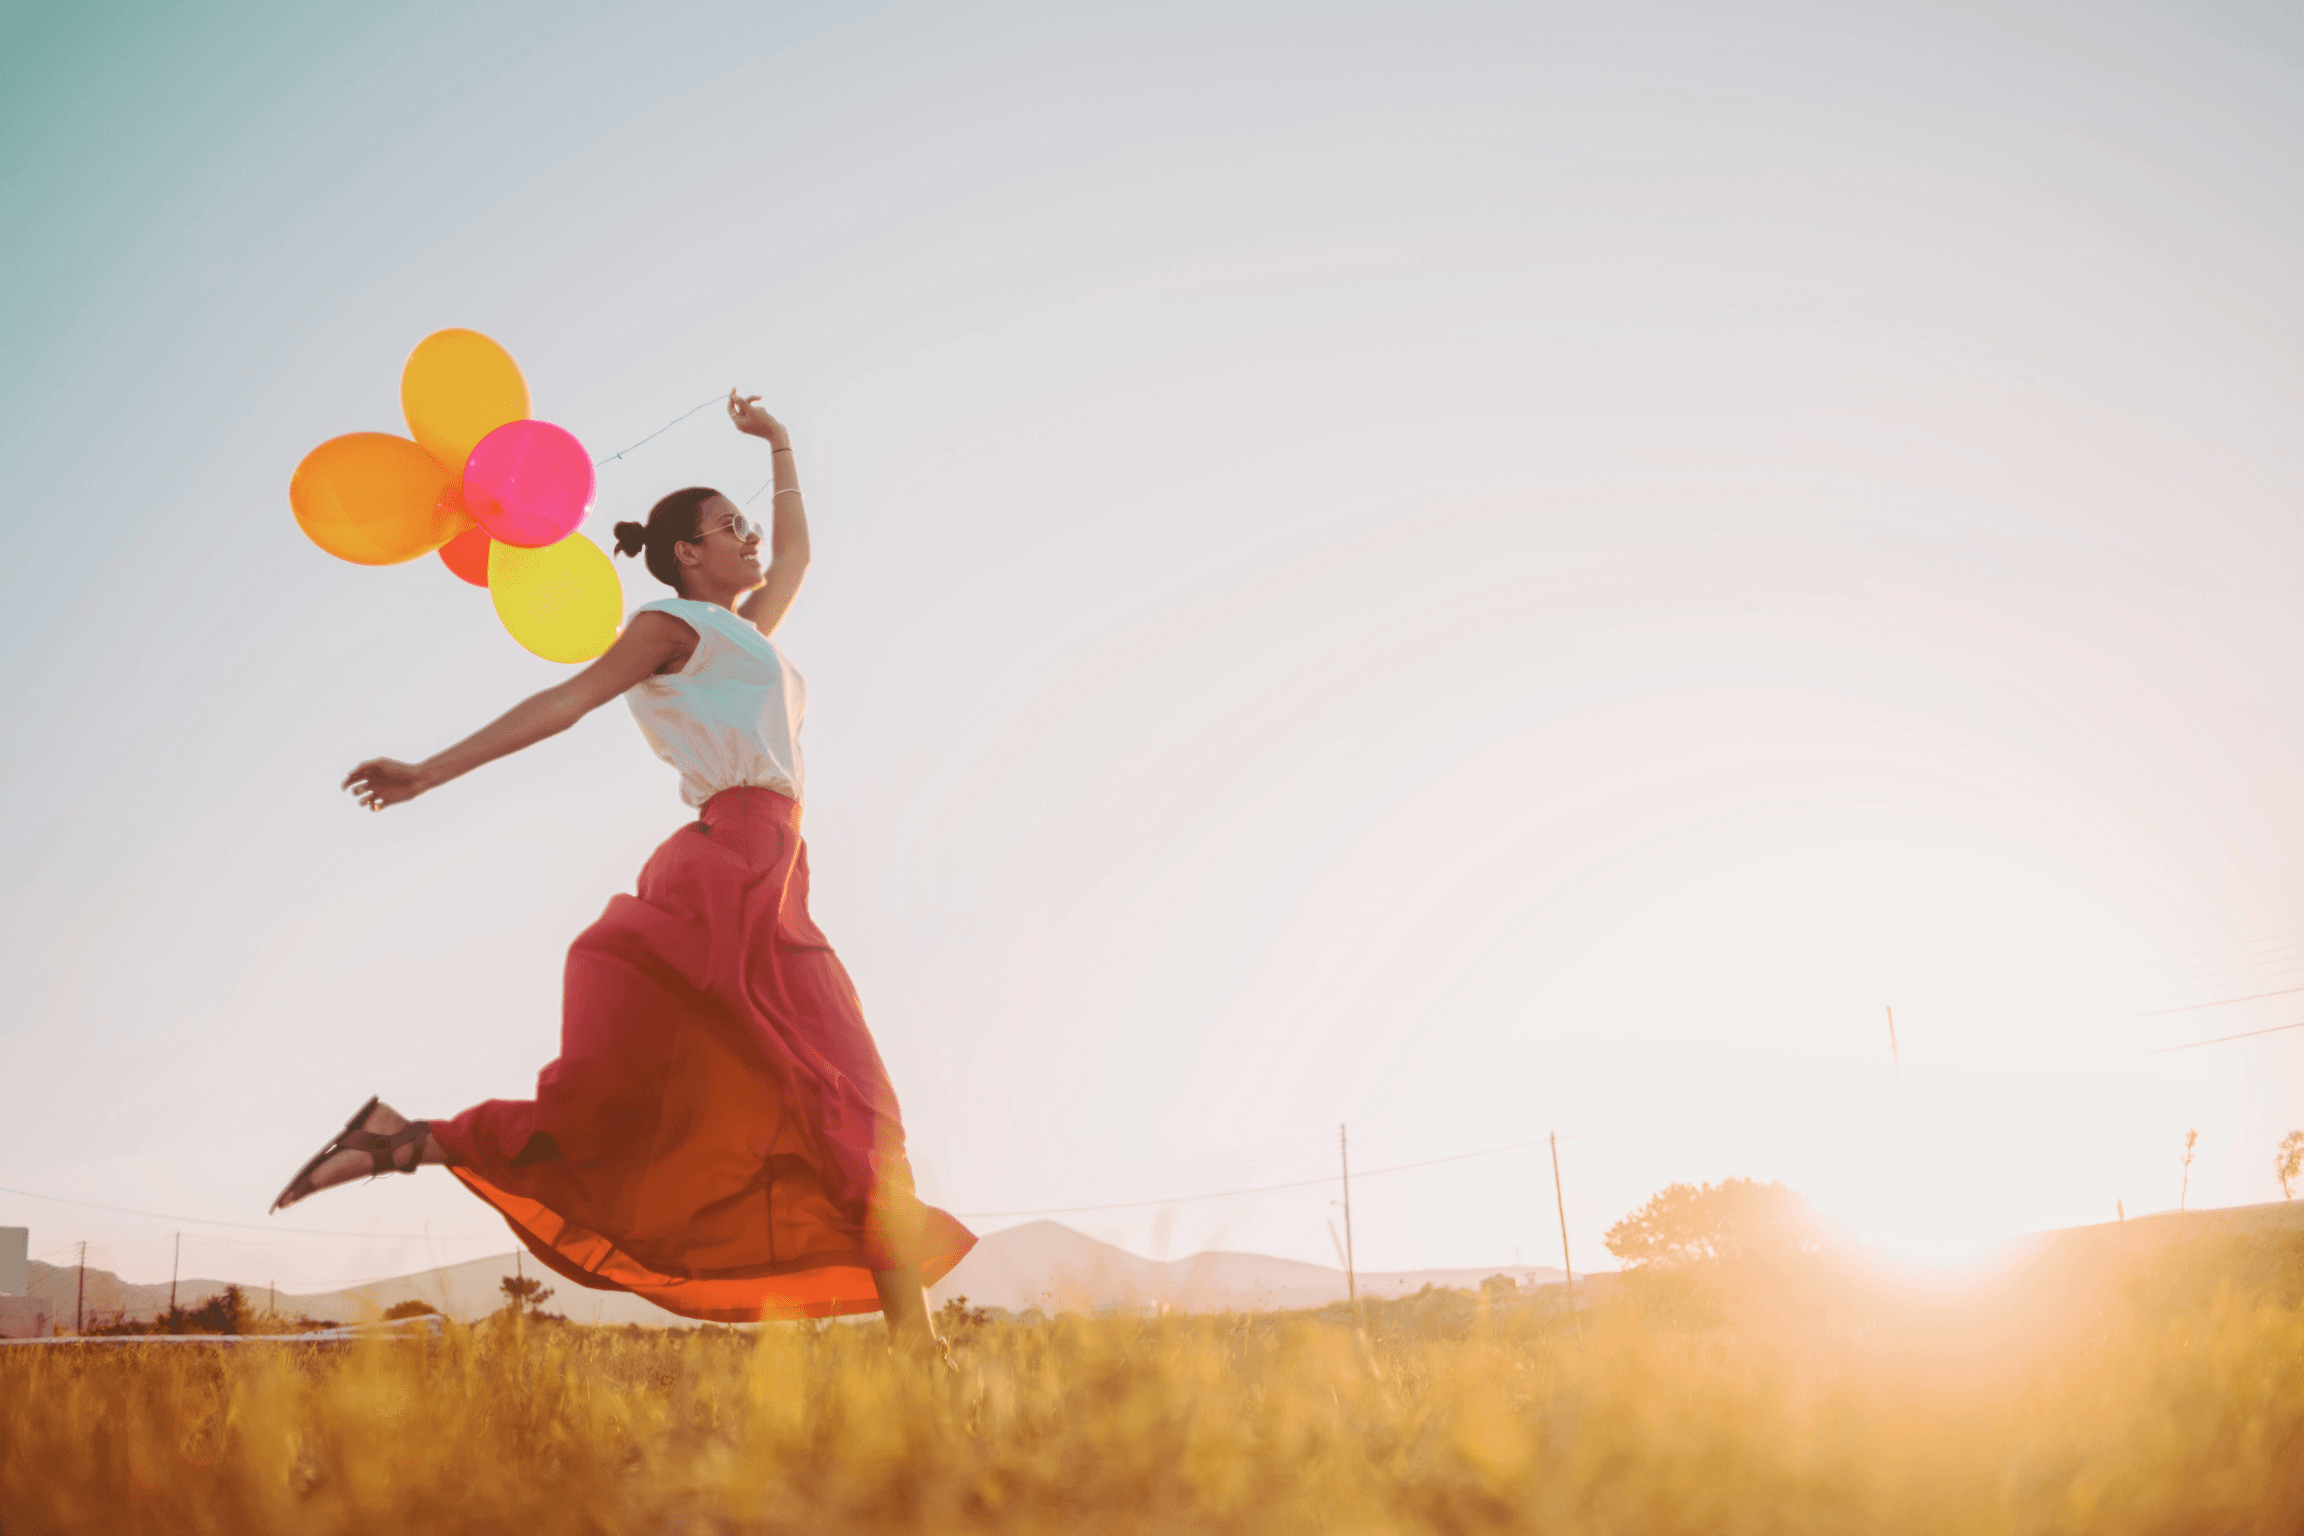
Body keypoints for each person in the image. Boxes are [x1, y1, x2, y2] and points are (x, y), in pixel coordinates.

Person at [270, 390, 973, 1353]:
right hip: (729, 869)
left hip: (775, 870)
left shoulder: (749, 631)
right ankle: (919, 1356)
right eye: (731, 527)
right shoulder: (668, 627)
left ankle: (407, 1138)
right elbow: (564, 703)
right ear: (688, 553)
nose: (751, 537)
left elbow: (800, 555)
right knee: (795, 1101)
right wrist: (428, 771)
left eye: (746, 523)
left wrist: (783, 446)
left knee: (846, 1097)